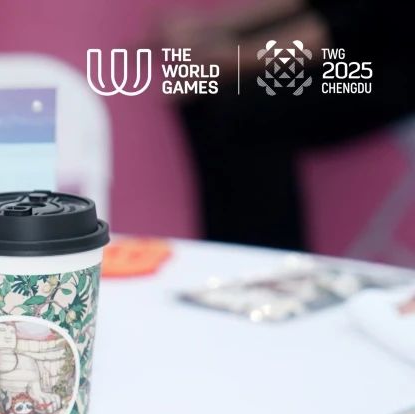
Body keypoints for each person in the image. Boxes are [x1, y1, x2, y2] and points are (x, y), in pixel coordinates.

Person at [164, 0, 414, 251]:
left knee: (248, 109)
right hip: (347, 46)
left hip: (384, 66)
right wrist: (212, 29)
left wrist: (230, 58)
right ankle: (224, 249)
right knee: (206, 99)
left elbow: (343, 30)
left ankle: (272, 255)